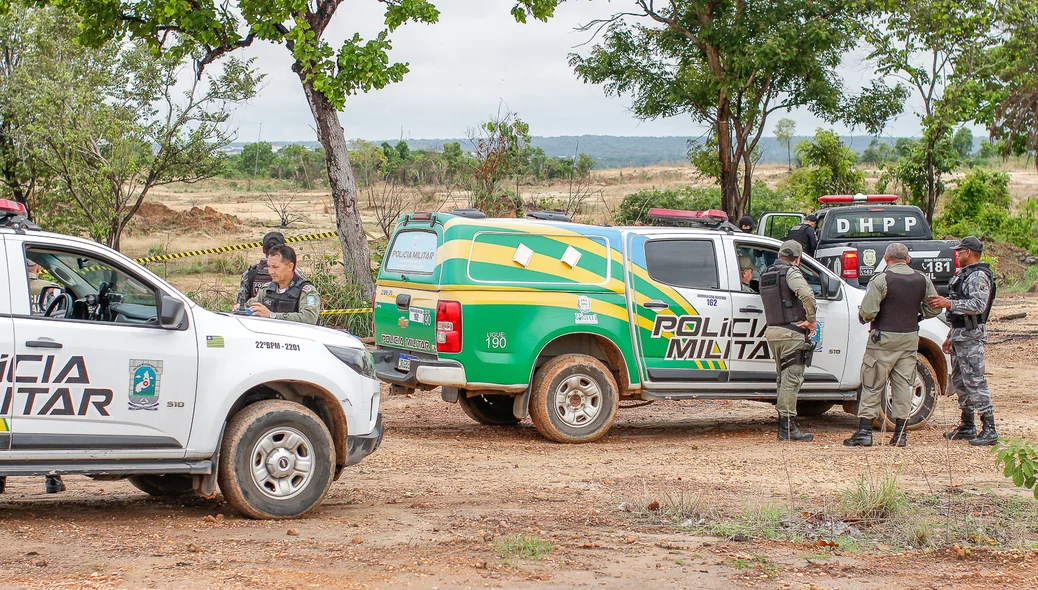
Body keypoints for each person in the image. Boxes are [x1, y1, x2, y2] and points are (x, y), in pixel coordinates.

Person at [844, 243, 941, 448]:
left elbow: (868, 312)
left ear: (886, 259)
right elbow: (934, 308)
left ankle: (864, 432)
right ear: (907, 259)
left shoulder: (881, 279)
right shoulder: (922, 279)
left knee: (872, 383)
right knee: (904, 385)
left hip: (883, 339)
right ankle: (900, 434)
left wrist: (863, 316)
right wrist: (919, 314)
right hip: (909, 339)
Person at [926, 236, 999, 446]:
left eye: (960, 252)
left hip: (971, 336)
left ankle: (989, 428)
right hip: (960, 334)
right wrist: (950, 336)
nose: (957, 256)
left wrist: (948, 303)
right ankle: (968, 424)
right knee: (960, 380)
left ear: (968, 252)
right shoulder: (966, 275)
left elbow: (977, 305)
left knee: (975, 381)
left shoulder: (977, 276)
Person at [759, 240, 817, 441]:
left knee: (783, 379)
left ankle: (785, 425)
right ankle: (788, 429)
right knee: (792, 380)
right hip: (791, 333)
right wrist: (811, 321)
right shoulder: (791, 272)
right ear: (798, 258)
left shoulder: (766, 273)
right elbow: (807, 295)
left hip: (773, 332)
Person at [246, 244, 321, 325]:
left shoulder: (308, 292)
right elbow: (251, 305)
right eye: (269, 267)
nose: (271, 271)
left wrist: (272, 316)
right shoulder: (267, 289)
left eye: (275, 267)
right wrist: (240, 308)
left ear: (290, 267)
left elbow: (309, 318)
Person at [236, 231, 286, 309]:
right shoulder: (290, 272)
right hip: (280, 319)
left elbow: (240, 304)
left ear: (263, 250)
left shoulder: (250, 273)